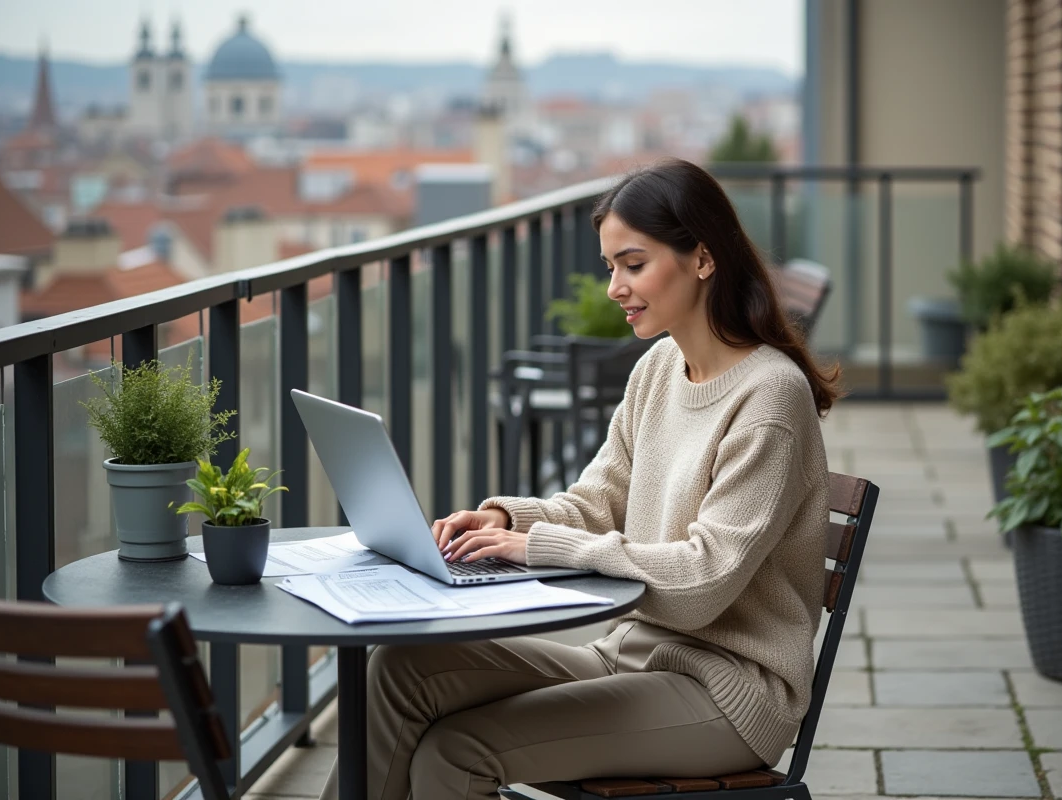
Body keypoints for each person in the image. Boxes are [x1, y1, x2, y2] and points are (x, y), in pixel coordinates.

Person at [318, 157, 841, 800]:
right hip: (627, 653)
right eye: (611, 267)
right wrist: (510, 521)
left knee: (456, 753)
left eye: (634, 263)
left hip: (729, 691)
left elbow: (703, 583)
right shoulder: (658, 368)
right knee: (401, 667)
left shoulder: (769, 398)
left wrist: (540, 548)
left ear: (703, 259)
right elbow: (600, 500)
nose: (615, 287)